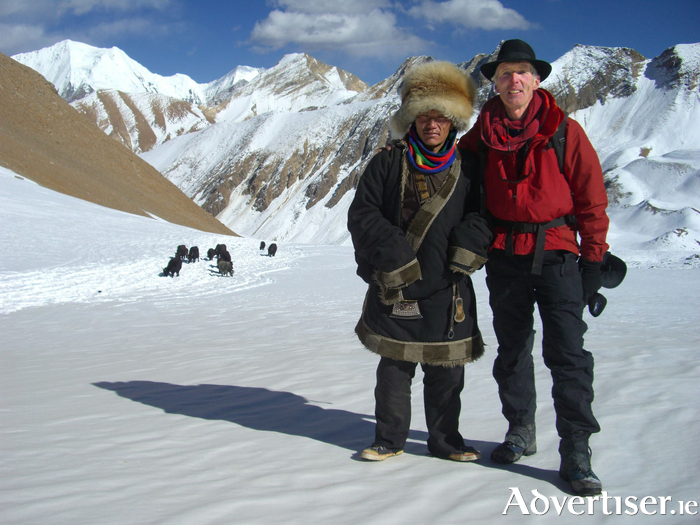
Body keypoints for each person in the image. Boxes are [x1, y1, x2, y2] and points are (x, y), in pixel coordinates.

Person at [457, 39, 610, 496]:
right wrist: (401, 152)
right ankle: (520, 430)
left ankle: (576, 451)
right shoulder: (482, 135)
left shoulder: (565, 131)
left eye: (522, 71)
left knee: (568, 355)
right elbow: (446, 162)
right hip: (505, 256)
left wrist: (594, 260)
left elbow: (591, 199)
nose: (514, 79)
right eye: (505, 73)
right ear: (496, 82)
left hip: (559, 254)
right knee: (512, 351)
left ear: (537, 79)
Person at [347, 61, 492, 462]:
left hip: (448, 285)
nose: (432, 125)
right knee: (394, 370)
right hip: (400, 283)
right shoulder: (388, 162)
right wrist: (394, 256)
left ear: (453, 123)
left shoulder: (471, 170)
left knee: (447, 374)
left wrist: (468, 246)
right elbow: (363, 214)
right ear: (411, 118)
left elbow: (484, 215)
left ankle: (446, 441)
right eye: (425, 116)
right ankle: (388, 440)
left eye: (441, 117)